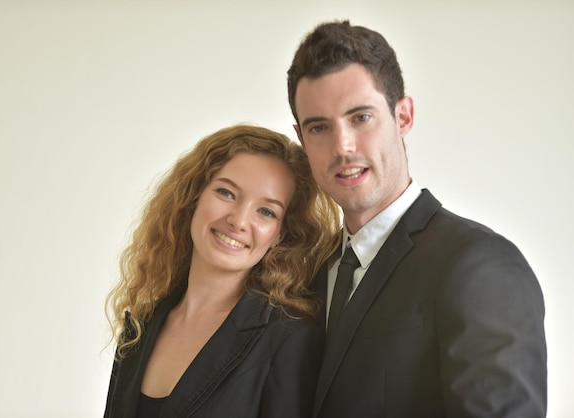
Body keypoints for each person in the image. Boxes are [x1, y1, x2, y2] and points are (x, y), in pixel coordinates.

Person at [287, 20, 547, 417]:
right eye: (319, 127)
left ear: (403, 116)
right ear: (302, 139)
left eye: (361, 117)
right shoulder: (310, 277)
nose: (343, 146)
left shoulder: (480, 264)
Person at [103, 124, 340, 418]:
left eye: (267, 211)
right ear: (194, 196)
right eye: (227, 193)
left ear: (280, 234)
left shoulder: (290, 341)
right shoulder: (140, 326)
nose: (239, 221)